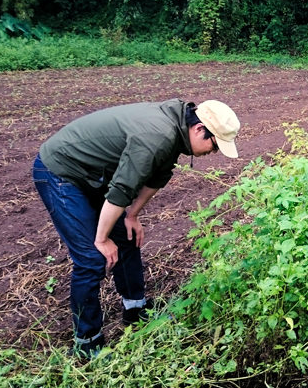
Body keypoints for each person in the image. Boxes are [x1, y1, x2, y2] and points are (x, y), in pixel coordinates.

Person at [32, 99, 240, 358]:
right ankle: (87, 342)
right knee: (91, 258)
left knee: (127, 237)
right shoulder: (157, 134)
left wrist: (132, 215)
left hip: (93, 174)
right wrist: (101, 238)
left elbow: (157, 176)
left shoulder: (175, 130)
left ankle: (135, 309)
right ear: (199, 129)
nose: (215, 152)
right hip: (61, 171)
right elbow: (121, 189)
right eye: (215, 144)